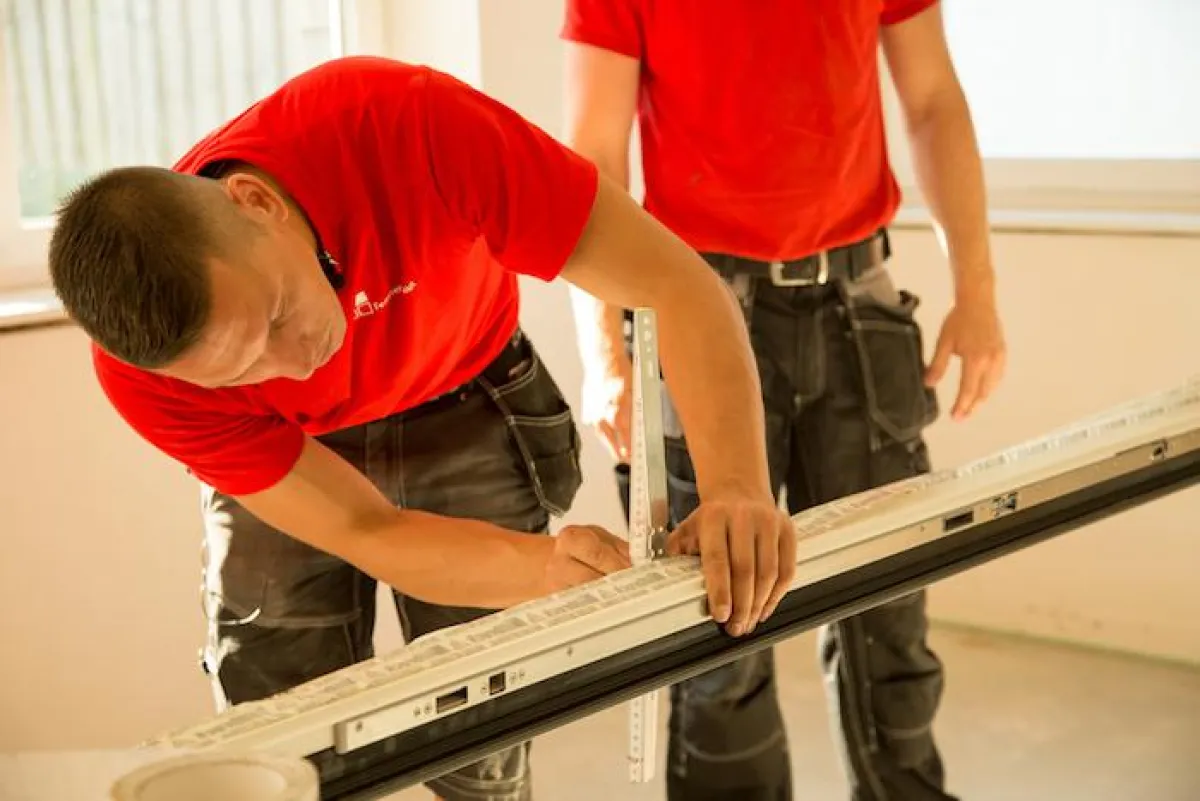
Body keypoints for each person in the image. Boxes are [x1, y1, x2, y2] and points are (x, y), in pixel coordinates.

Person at [46, 56, 798, 801]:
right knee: (274, 737)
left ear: (257, 203)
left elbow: (676, 283)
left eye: (276, 316)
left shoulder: (407, 124)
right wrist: (538, 567)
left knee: (484, 731)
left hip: (463, 387)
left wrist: (735, 483)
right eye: (245, 370)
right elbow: (367, 527)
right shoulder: (143, 375)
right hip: (298, 452)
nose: (300, 363)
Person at [561, 2, 1007, 800]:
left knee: (890, 623)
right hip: (698, 314)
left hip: (857, 312)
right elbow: (594, 153)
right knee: (717, 639)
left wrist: (977, 289)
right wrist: (604, 350)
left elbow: (933, 98)